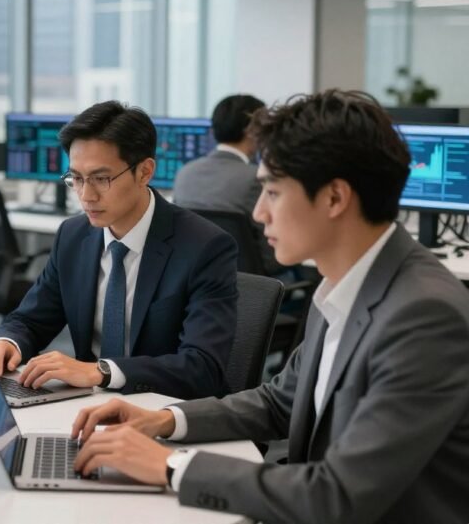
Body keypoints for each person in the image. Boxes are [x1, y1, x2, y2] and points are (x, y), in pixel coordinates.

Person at [70, 90, 469, 524]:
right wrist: (162, 420)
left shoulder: (423, 316)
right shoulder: (343, 286)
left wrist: (170, 466)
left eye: (273, 192)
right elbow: (280, 403)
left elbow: (337, 497)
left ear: (335, 198)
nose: (259, 213)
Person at [0, 101, 239, 400]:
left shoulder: (204, 247)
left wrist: (102, 372)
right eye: (76, 178)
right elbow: (30, 320)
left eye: (101, 179)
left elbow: (202, 367)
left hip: (163, 409)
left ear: (144, 172)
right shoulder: (73, 236)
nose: (86, 195)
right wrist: (7, 342)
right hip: (85, 405)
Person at [173, 94, 282, 274]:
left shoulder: (185, 173)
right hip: (251, 283)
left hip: (199, 278)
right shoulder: (256, 178)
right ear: (251, 130)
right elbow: (272, 257)